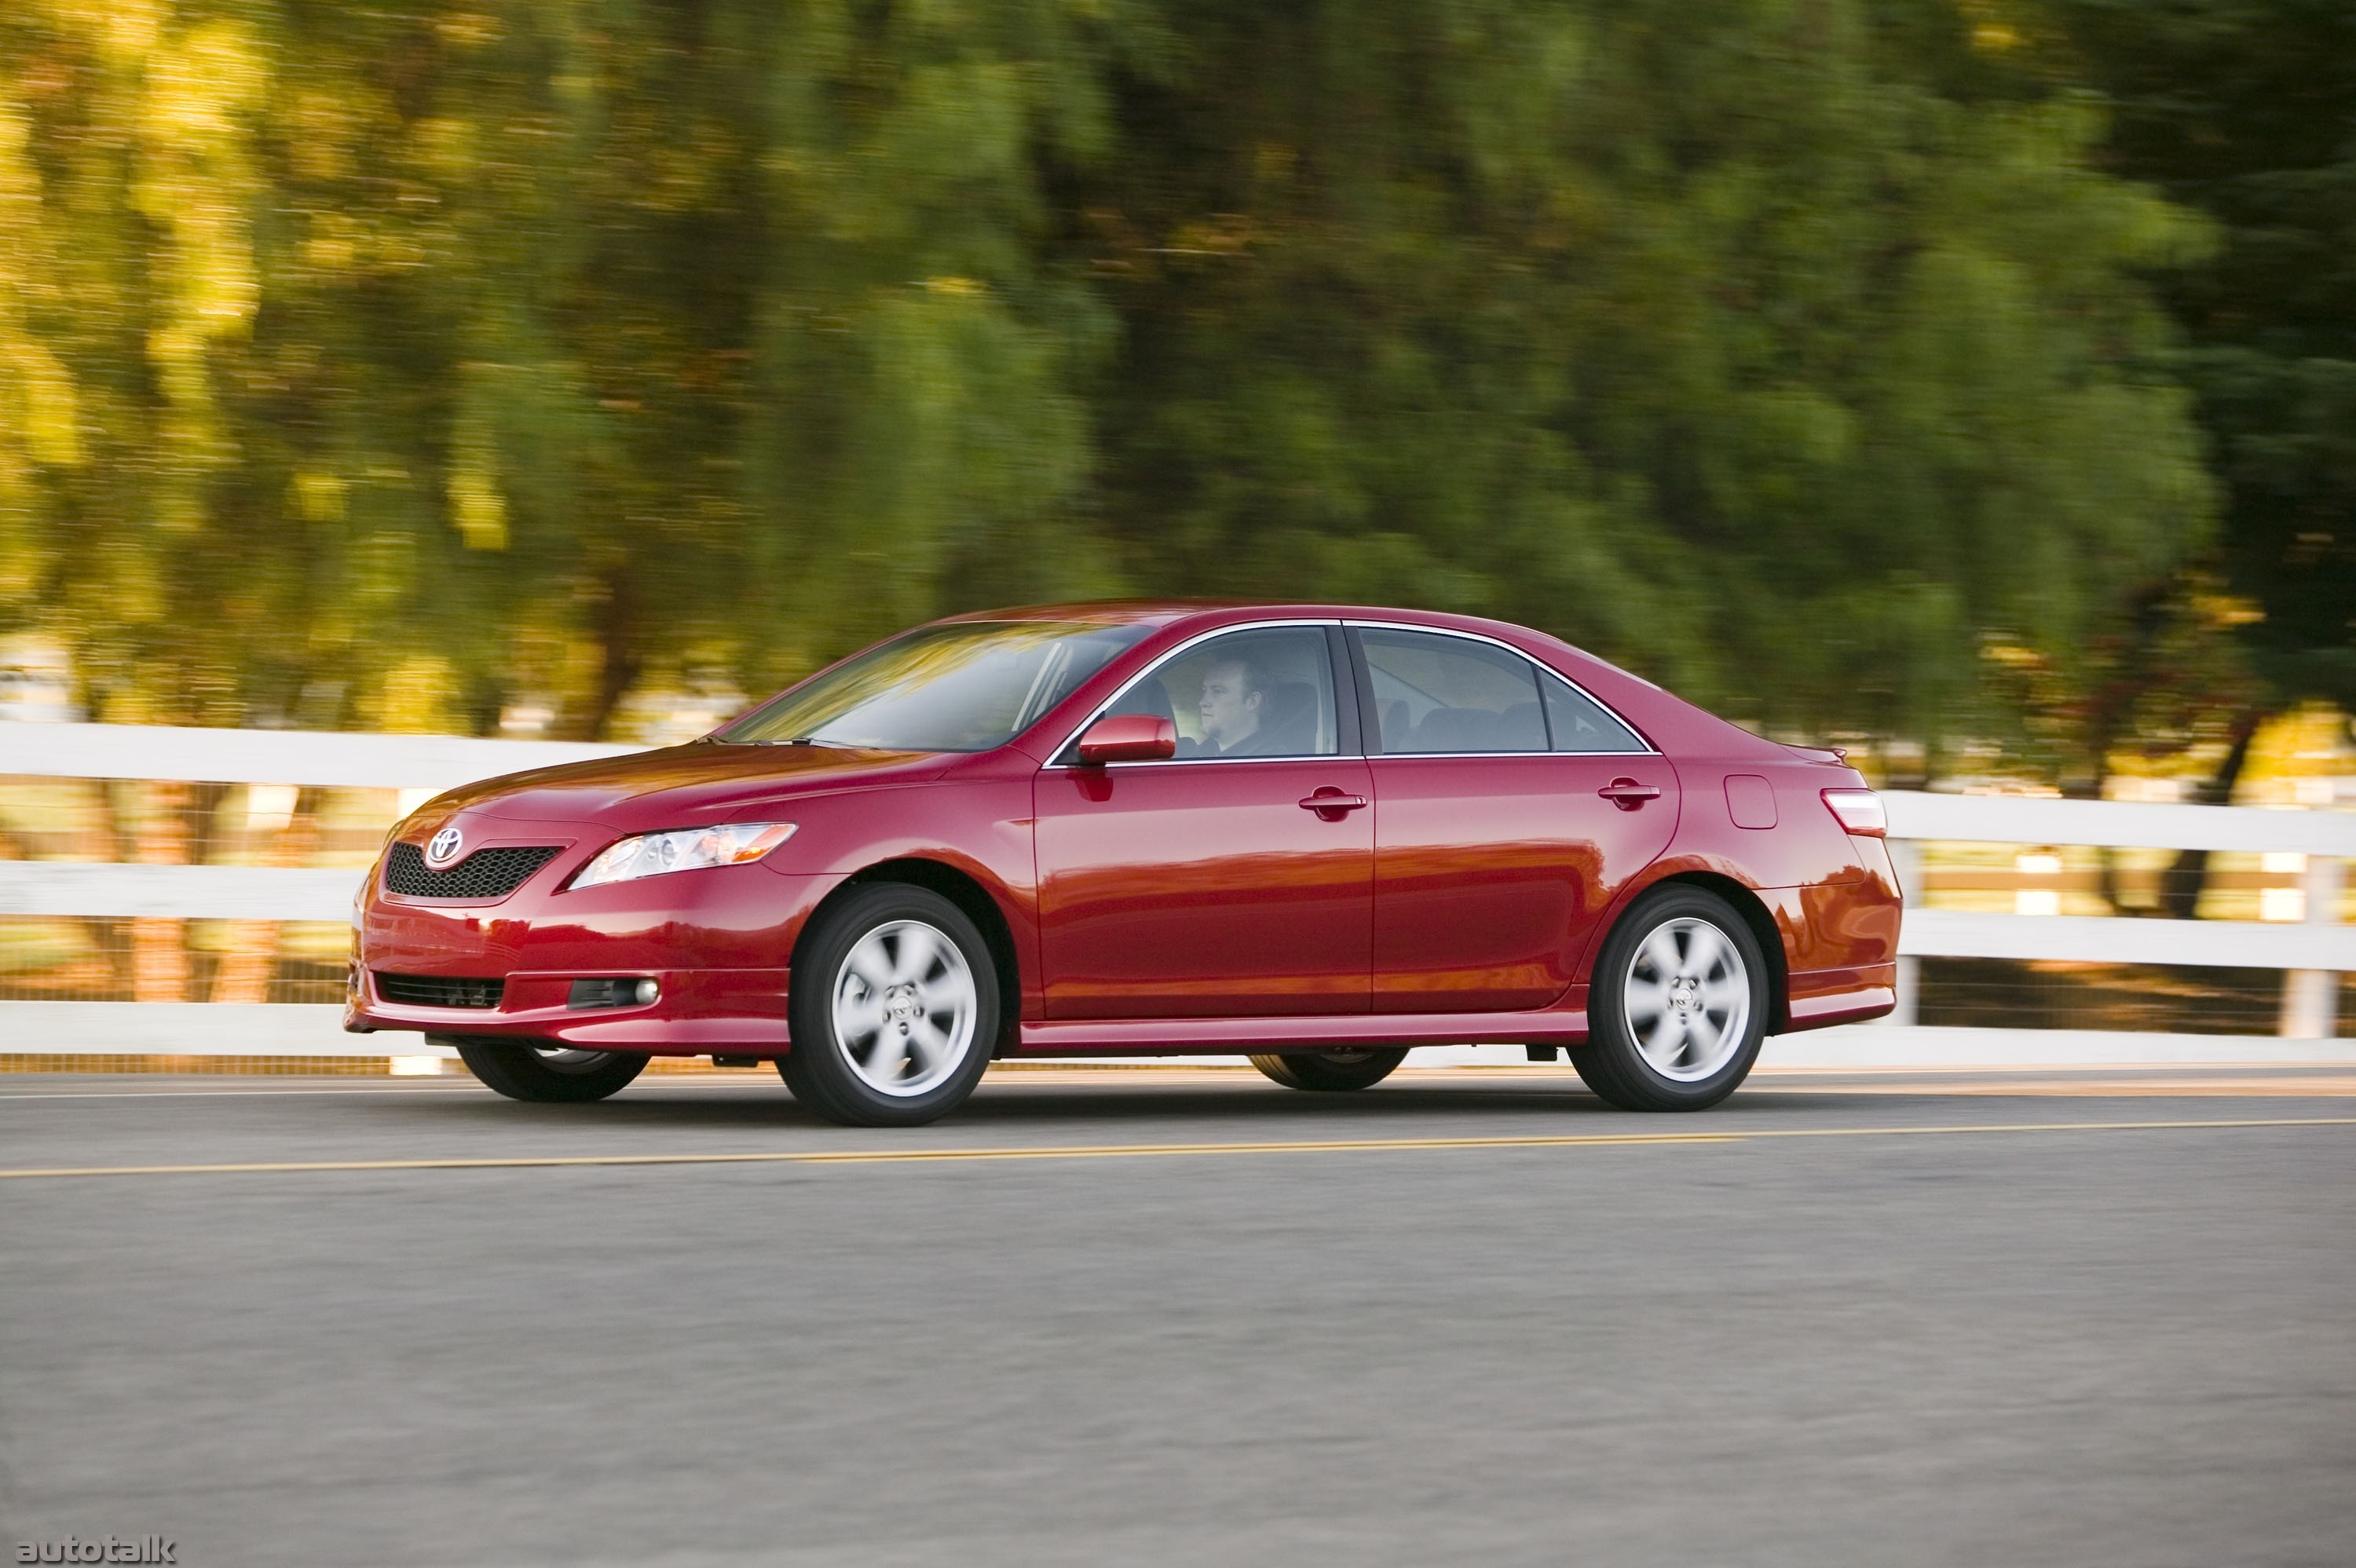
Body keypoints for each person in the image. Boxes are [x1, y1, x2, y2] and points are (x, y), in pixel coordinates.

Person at [1195, 656, 1270, 755]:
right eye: (1205, 690)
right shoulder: (1202, 753)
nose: (1203, 702)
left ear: (1252, 702)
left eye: (1218, 692)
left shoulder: (1266, 763)